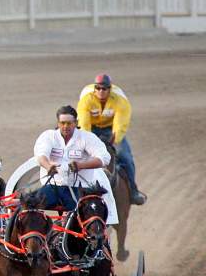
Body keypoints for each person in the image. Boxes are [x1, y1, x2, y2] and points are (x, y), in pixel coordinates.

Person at [31, 105, 117, 225]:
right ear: (58, 123)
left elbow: (104, 158)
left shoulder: (87, 137)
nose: (66, 126)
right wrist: (48, 165)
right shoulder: (48, 136)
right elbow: (41, 155)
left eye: (69, 123)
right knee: (29, 206)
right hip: (52, 187)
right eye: (63, 123)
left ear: (76, 123)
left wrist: (81, 165)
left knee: (83, 217)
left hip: (79, 189)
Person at [77, 73, 144, 205]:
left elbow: (121, 123)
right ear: (94, 88)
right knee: (79, 155)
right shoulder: (86, 99)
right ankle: (74, 190)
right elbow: (84, 123)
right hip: (92, 129)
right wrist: (88, 143)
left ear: (110, 89)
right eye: (98, 88)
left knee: (125, 156)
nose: (101, 91)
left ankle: (133, 191)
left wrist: (114, 140)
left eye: (105, 88)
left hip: (110, 130)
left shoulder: (120, 100)